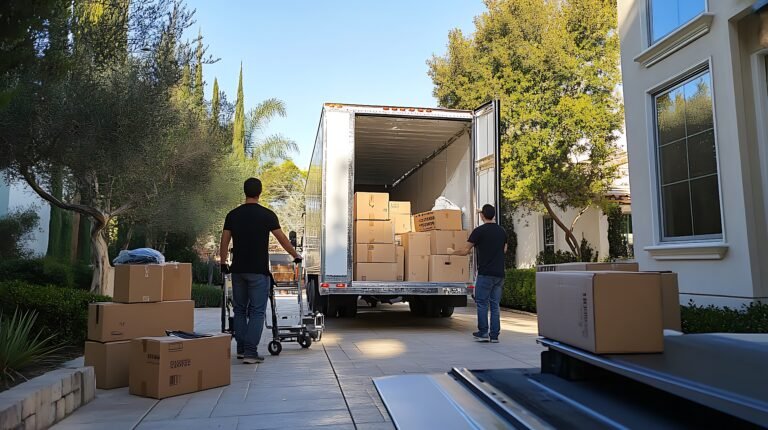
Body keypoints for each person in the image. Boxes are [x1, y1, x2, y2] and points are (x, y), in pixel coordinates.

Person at [219, 178, 302, 364]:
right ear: (260, 192)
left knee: (239, 310)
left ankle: (241, 349)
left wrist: (223, 263)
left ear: (245, 192)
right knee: (257, 311)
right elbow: (282, 239)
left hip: (238, 271)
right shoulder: (267, 215)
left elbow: (224, 241)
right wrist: (296, 255)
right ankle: (250, 352)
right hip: (258, 271)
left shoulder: (233, 215)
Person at [453, 204, 507, 343]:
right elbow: (504, 249)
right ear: (493, 215)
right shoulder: (502, 232)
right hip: (499, 274)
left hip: (485, 273)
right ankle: (494, 335)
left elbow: (466, 250)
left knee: (482, 303)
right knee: (495, 305)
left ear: (482, 216)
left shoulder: (479, 231)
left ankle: (483, 332)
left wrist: (452, 253)